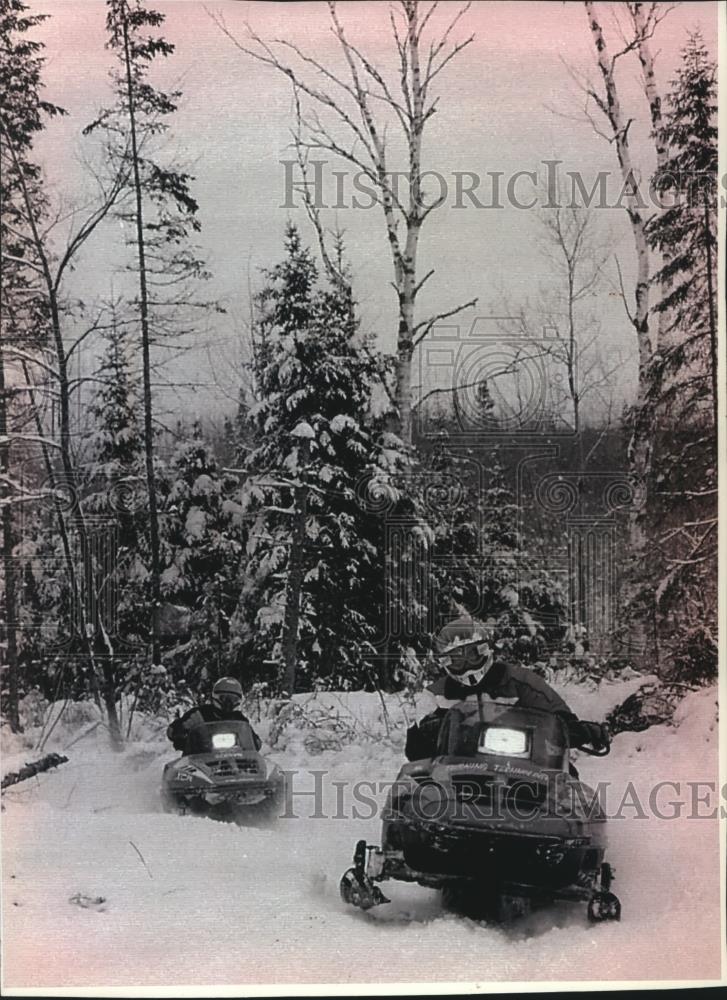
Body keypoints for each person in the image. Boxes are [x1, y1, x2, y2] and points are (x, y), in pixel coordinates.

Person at [405, 614, 608, 762]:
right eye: (457, 660)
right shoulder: (435, 694)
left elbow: (558, 715)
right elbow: (415, 749)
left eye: (472, 655)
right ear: (446, 664)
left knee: (568, 784)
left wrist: (578, 729)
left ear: (485, 651)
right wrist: (427, 731)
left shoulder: (522, 682)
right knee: (412, 788)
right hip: (456, 769)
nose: (467, 666)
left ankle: (569, 818)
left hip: (524, 766)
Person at [167, 676, 262, 752]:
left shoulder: (239, 719)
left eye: (233, 699)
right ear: (215, 697)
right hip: (199, 759)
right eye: (224, 698)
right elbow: (172, 730)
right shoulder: (200, 714)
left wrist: (253, 742)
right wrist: (181, 730)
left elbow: (254, 742)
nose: (228, 703)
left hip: (234, 761)